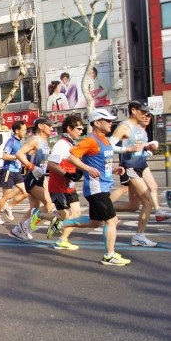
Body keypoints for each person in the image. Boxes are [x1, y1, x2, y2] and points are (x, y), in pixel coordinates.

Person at [62, 109, 130, 266]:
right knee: (112, 220)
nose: (111, 123)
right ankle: (109, 255)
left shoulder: (105, 140)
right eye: (108, 121)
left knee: (95, 222)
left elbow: (100, 162)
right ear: (97, 123)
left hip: (103, 186)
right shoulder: (90, 140)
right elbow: (71, 157)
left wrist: (113, 169)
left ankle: (61, 223)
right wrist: (87, 168)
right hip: (96, 188)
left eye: (111, 121)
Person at [109, 101, 170, 246]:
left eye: (147, 112)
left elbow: (140, 147)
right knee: (147, 202)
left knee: (133, 206)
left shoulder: (140, 127)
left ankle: (102, 207)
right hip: (130, 167)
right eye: (142, 111)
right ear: (133, 110)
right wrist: (127, 149)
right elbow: (109, 145)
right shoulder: (124, 126)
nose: (145, 115)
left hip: (141, 164)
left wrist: (148, 148)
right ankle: (139, 236)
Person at [10, 117, 61, 241]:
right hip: (32, 177)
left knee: (35, 207)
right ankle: (26, 226)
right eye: (49, 125)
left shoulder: (45, 141)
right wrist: (31, 166)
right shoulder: (35, 139)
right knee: (49, 205)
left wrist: (45, 178)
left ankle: (17, 230)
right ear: (40, 126)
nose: (51, 128)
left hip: (40, 177)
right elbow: (19, 154)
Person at [45, 115, 85, 250]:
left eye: (82, 129)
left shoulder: (70, 144)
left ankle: (62, 240)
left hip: (70, 186)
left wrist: (78, 172)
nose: (81, 131)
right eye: (79, 129)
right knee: (65, 215)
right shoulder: (61, 144)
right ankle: (38, 215)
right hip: (58, 187)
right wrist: (67, 174)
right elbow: (51, 164)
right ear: (69, 128)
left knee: (76, 213)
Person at [0, 121, 28, 225]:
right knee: (5, 196)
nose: (25, 131)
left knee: (25, 192)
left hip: (16, 171)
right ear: (17, 131)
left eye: (26, 129)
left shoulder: (20, 141)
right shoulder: (11, 141)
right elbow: (5, 156)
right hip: (8, 171)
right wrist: (17, 157)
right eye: (24, 130)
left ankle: (8, 206)